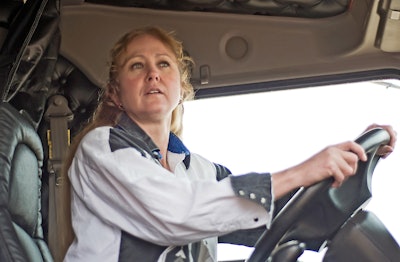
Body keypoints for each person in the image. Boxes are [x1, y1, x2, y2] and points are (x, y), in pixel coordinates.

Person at [62, 26, 397, 261]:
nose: (153, 74)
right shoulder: (102, 148)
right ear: (115, 93)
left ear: (181, 87)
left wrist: (349, 164)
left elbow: (267, 213)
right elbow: (176, 212)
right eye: (137, 66)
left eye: (163, 64)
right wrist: (303, 171)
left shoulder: (199, 170)